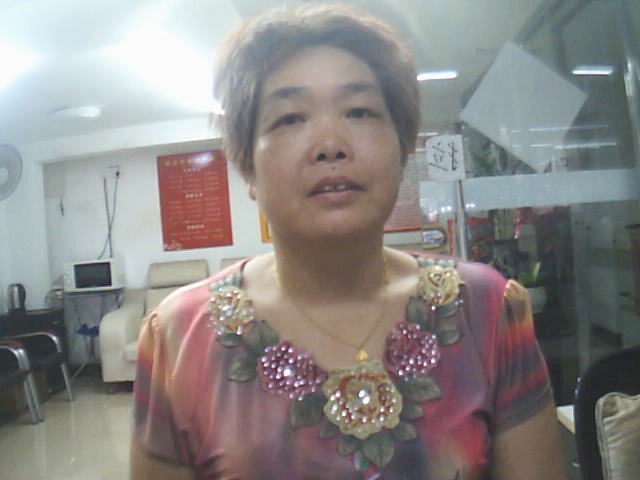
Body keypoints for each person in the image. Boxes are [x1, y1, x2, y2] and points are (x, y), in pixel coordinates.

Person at [130, 4, 567, 479]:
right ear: (247, 168)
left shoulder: (487, 310)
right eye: (289, 118)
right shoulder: (178, 338)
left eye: (359, 111)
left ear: (403, 150)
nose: (330, 144)